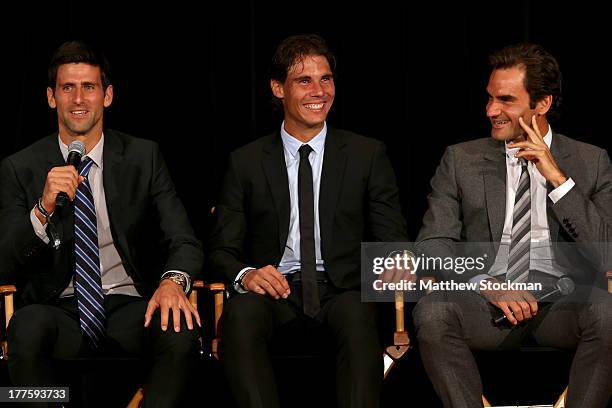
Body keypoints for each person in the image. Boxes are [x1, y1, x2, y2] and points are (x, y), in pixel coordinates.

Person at [207, 34, 408, 408]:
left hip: (341, 287)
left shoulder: (367, 154)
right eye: (304, 80)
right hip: (273, 291)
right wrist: (248, 274)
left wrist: (395, 259)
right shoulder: (246, 162)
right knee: (240, 313)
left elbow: (391, 238)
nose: (319, 91)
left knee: (357, 315)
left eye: (326, 79)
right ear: (277, 88)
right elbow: (221, 250)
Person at [0, 41, 203, 407]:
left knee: (179, 326)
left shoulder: (144, 156)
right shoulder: (20, 166)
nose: (79, 99)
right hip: (56, 308)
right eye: (67, 88)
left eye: (89, 87)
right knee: (24, 330)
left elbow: (184, 239)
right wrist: (43, 208)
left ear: (107, 95)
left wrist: (173, 282)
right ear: (51, 97)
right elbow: (7, 259)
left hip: (126, 305)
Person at [413, 42, 612, 407]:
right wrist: (487, 284)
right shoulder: (460, 160)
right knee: (431, 312)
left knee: (608, 312)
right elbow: (432, 246)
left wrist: (557, 178)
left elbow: (606, 251)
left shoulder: (591, 161)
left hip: (562, 304)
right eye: (489, 98)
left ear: (542, 104)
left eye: (505, 100)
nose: (491, 110)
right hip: (487, 305)